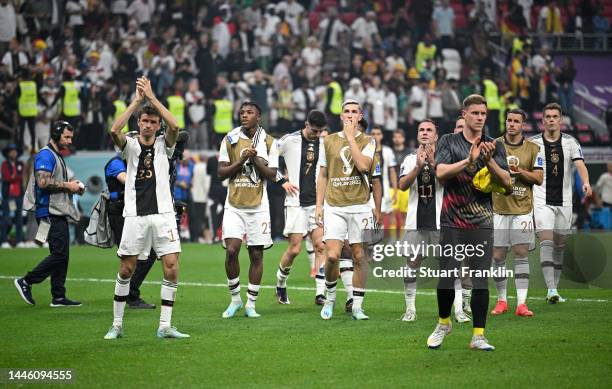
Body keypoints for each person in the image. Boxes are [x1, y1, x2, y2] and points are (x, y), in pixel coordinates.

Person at [104, 77, 189, 340]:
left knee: (172, 265)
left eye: (153, 122)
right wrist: (137, 102)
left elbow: (175, 124)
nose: (149, 125)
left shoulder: (166, 144)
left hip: (163, 215)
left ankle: (165, 326)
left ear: (158, 125)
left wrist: (152, 99)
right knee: (127, 269)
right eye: (145, 121)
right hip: (135, 215)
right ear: (138, 123)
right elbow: (114, 131)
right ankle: (117, 324)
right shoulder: (130, 145)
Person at [428, 94, 511, 351]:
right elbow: (440, 173)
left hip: (482, 221)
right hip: (452, 221)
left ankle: (478, 336)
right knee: (446, 277)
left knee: (479, 279)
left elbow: (507, 184)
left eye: (483, 114)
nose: (479, 118)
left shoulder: (494, 146)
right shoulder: (449, 141)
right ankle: (444, 323)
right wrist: (469, 161)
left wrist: (489, 163)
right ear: (464, 114)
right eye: (474, 113)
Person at [398, 119, 470, 322]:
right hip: (415, 220)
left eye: (429, 130)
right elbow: (402, 186)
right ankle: (410, 309)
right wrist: (418, 167)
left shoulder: (445, 158)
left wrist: (431, 163)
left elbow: (447, 182)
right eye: (421, 129)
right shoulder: (410, 159)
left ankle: (457, 311)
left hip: (442, 220)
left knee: (449, 266)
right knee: (412, 263)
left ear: (436, 135)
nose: (425, 133)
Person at [316, 99, 376, 320]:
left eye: (354, 112)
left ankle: (358, 306)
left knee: (359, 257)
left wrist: (351, 137)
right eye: (346, 111)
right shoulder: (329, 141)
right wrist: (318, 206)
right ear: (341, 116)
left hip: (360, 206)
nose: (350, 115)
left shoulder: (369, 141)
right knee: (332, 256)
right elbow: (323, 175)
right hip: (334, 205)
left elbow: (363, 166)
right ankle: (330, 298)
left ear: (360, 116)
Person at [217, 101, 278, 318]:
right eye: (242, 112)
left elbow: (272, 174)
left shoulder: (270, 142)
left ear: (258, 117)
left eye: (249, 112)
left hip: (258, 206)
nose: (244, 115)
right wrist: (242, 159)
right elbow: (221, 173)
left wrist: (254, 159)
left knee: (256, 254)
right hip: (233, 205)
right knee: (232, 250)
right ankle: (235, 300)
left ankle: (251, 304)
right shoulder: (230, 139)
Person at [15, 121, 84, 307]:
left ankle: (59, 296)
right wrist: (68, 185)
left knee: (61, 254)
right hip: (48, 212)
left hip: (54, 211)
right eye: (67, 137)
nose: (70, 141)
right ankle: (26, 281)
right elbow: (43, 182)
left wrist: (72, 187)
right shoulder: (46, 155)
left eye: (71, 137)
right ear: (56, 135)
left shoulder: (55, 155)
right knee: (60, 255)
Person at [529, 102, 591, 304]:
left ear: (561, 120)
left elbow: (580, 164)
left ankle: (552, 290)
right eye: (548, 116)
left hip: (565, 201)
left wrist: (587, 183)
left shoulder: (571, 142)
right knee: (546, 241)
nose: (551, 120)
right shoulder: (533, 142)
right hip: (541, 200)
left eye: (555, 116)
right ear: (543, 120)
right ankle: (552, 289)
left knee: (559, 246)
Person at [491, 108, 543, 317]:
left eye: (516, 121)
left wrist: (518, 172)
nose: (512, 124)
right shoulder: (494, 145)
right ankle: (502, 300)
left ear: (523, 125)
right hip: (499, 209)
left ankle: (521, 303)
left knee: (521, 253)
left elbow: (539, 178)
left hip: (522, 209)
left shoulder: (533, 148)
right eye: (509, 120)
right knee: (498, 255)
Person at [274, 110, 327, 305]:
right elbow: (268, 157)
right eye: (314, 130)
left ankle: (319, 294)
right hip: (295, 202)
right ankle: (280, 284)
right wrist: (281, 180)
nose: (317, 134)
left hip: (316, 203)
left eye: (320, 131)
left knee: (321, 246)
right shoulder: (289, 140)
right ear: (306, 124)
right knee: (295, 249)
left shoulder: (323, 143)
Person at [104, 149, 156, 309]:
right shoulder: (115, 163)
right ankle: (130, 295)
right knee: (130, 256)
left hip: (132, 212)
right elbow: (127, 181)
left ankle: (130, 292)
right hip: (119, 212)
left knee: (149, 253)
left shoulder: (131, 163)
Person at [370, 127, 398, 232]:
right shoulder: (365, 150)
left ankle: (381, 244)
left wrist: (395, 190)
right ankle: (372, 244)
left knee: (381, 218)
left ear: (381, 136)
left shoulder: (387, 151)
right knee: (371, 218)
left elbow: (392, 172)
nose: (375, 136)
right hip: (369, 192)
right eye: (373, 133)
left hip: (384, 190)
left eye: (378, 133)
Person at [1, 144, 25, 248]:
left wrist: (14, 177)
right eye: (11, 151)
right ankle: (4, 241)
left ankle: (19, 241)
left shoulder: (21, 164)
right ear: (7, 153)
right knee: (6, 219)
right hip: (8, 196)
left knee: (18, 219)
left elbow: (23, 176)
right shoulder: (4, 164)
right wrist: (16, 177)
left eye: (15, 151)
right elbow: (7, 178)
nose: (13, 153)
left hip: (19, 195)